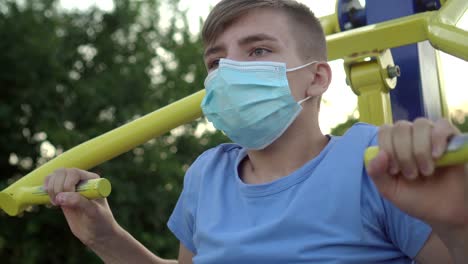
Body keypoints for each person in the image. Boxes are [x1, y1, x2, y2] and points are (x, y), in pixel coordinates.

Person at [44, 0, 468, 263]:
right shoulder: (205, 174)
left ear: (317, 78)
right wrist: (105, 237)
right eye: (215, 62)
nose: (230, 71)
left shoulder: (372, 161)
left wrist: (459, 226)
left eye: (259, 50)